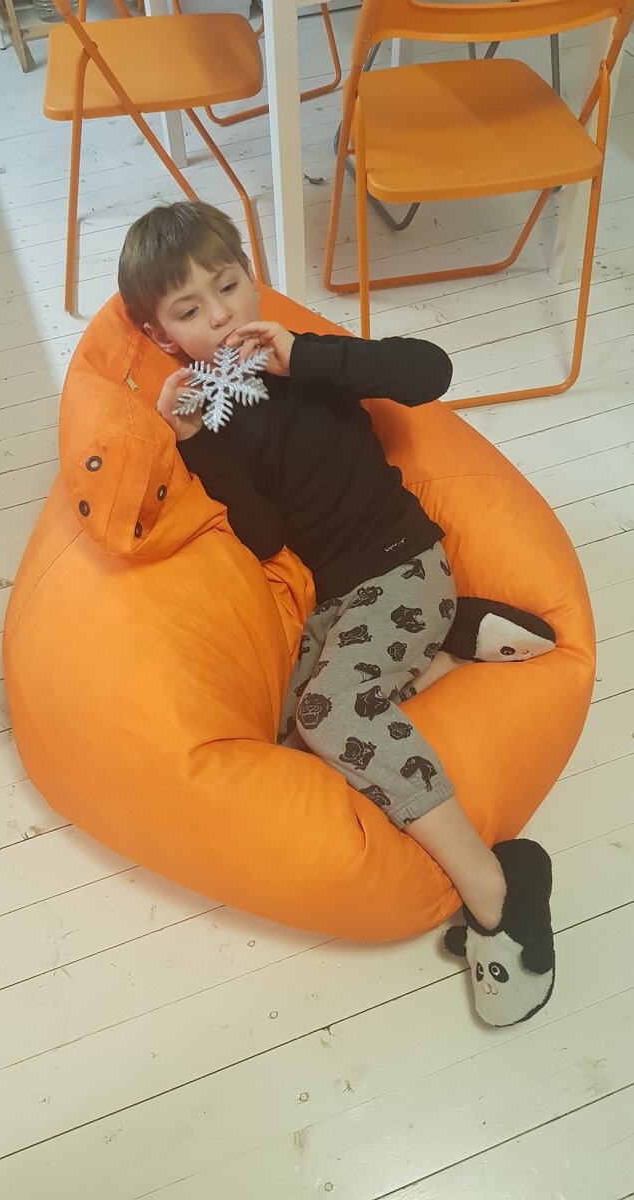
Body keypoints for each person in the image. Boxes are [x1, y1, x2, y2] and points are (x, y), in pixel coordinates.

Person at [118, 200, 557, 1026]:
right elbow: (263, 535)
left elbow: (429, 373)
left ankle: (496, 891)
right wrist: (195, 442)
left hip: (402, 563)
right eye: (190, 311)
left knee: (333, 712)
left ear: (251, 275)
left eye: (228, 287)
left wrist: (305, 355)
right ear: (160, 335)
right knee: (289, 736)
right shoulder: (215, 414)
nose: (221, 316)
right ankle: (448, 643)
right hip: (342, 598)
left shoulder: (304, 357)